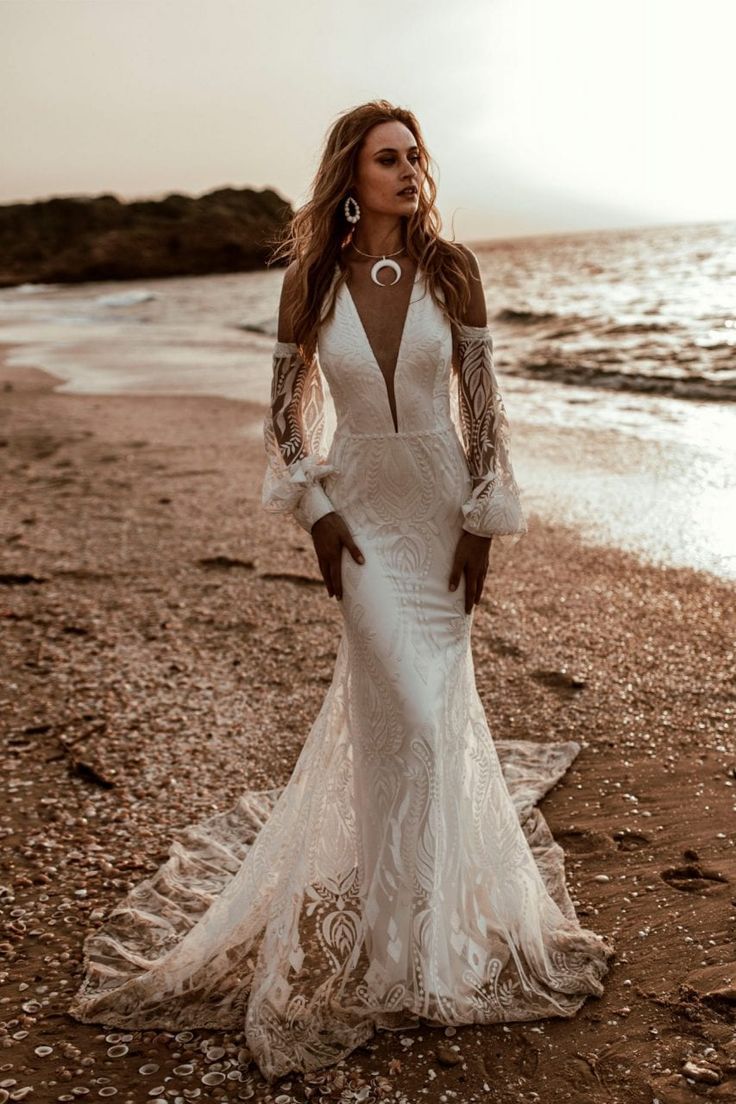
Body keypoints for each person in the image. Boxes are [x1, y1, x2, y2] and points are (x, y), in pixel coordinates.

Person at [68, 100, 614, 1085]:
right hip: (359, 512)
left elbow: (484, 406)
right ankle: (392, 921)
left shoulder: (453, 270)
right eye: (386, 158)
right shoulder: (311, 281)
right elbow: (283, 417)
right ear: (349, 176)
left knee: (434, 713)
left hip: (441, 503)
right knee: (393, 707)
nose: (408, 171)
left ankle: (428, 933)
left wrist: (486, 520)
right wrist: (316, 515)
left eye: (415, 157)